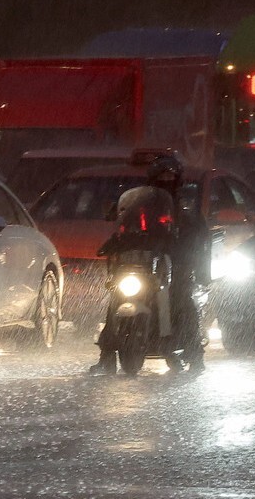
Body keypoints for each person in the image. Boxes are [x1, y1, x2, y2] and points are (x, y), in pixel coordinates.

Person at [89, 155, 208, 375]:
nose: (166, 179)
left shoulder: (184, 205)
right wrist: (117, 241)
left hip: (173, 262)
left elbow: (198, 233)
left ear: (177, 178)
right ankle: (106, 357)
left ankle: (194, 355)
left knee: (182, 302)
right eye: (161, 176)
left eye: (170, 176)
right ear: (153, 178)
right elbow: (125, 222)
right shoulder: (140, 201)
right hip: (140, 261)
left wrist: (188, 250)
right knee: (116, 297)